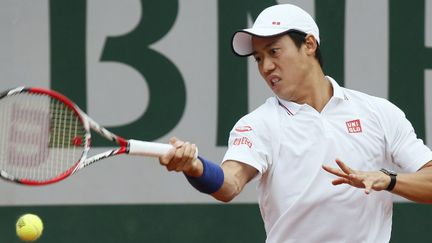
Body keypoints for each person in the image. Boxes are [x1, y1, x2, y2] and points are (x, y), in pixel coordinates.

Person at [159, 4, 432, 243]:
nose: (266, 67)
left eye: (274, 51)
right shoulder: (258, 124)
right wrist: (194, 167)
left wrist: (389, 180)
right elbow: (229, 183)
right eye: (258, 58)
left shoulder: (379, 113)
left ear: (309, 45)